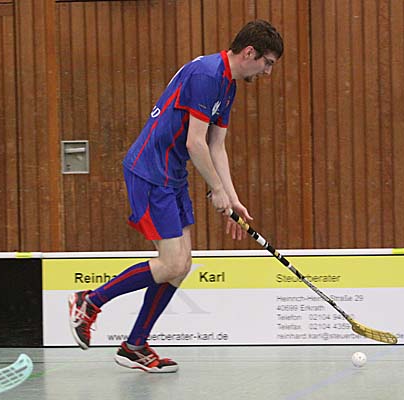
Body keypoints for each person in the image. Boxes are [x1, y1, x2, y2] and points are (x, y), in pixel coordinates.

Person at [68, 19, 283, 373]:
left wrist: (232, 197)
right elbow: (195, 142)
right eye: (268, 63)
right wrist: (215, 190)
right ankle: (89, 302)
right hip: (151, 172)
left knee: (181, 266)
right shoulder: (207, 75)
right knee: (171, 263)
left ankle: (134, 346)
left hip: (172, 175)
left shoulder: (227, 84)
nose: (268, 72)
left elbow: (216, 145)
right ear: (250, 53)